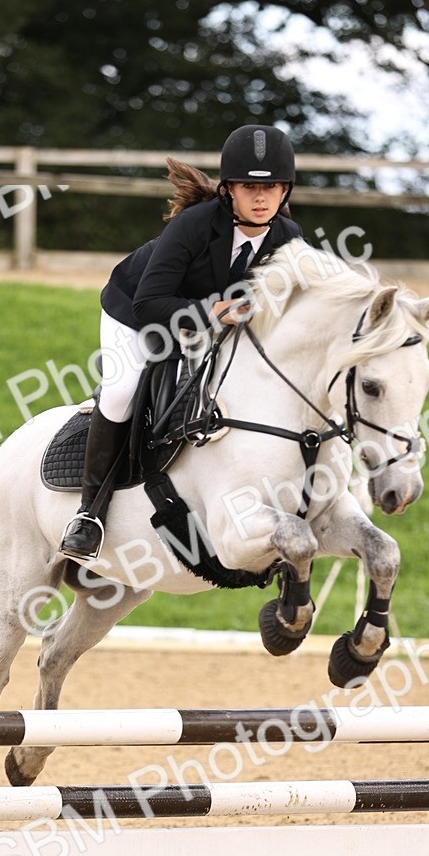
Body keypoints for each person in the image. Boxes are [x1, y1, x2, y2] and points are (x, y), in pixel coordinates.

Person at [60, 124, 302, 561]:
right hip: (136, 311)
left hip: (209, 322)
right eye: (250, 187)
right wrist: (213, 312)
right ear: (229, 190)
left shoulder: (288, 238)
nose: (261, 198)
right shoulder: (194, 226)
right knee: (122, 391)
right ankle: (89, 514)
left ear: (285, 190)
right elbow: (149, 303)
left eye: (272, 187)